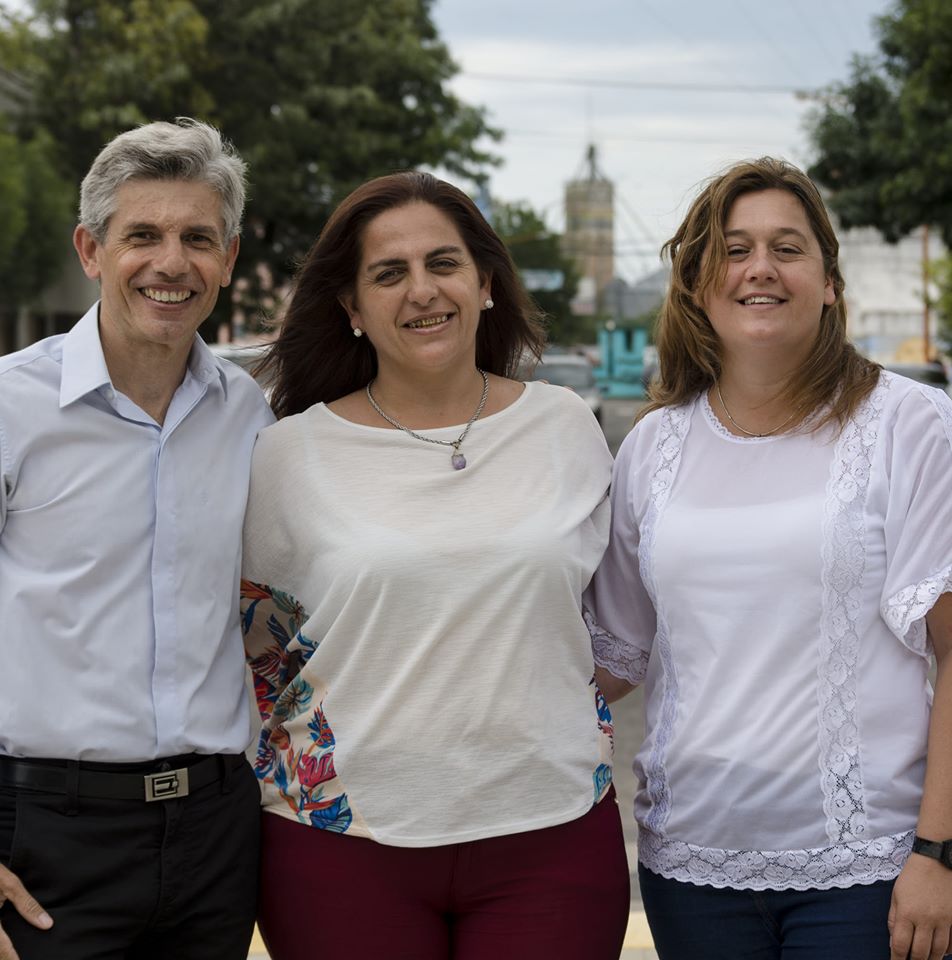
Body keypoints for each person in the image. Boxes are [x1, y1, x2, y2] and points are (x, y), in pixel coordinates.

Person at [240, 171, 631, 960]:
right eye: (389, 273)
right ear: (352, 308)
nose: (422, 290)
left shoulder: (564, 426)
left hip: (551, 835)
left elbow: (604, 621)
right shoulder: (286, 453)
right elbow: (261, 651)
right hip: (342, 846)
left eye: (443, 263)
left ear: (485, 283)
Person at [586, 156, 952, 960]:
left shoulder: (911, 425)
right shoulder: (652, 447)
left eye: (788, 248)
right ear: (697, 284)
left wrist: (938, 852)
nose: (760, 268)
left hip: (872, 870)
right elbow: (611, 659)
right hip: (688, 865)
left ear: (829, 282)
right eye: (734, 249)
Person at [0, 118, 274, 960]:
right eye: (142, 236)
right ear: (91, 250)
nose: (171, 262)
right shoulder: (11, 407)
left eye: (198, 238)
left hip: (217, 835)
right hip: (43, 836)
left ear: (228, 259)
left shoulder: (250, 415)